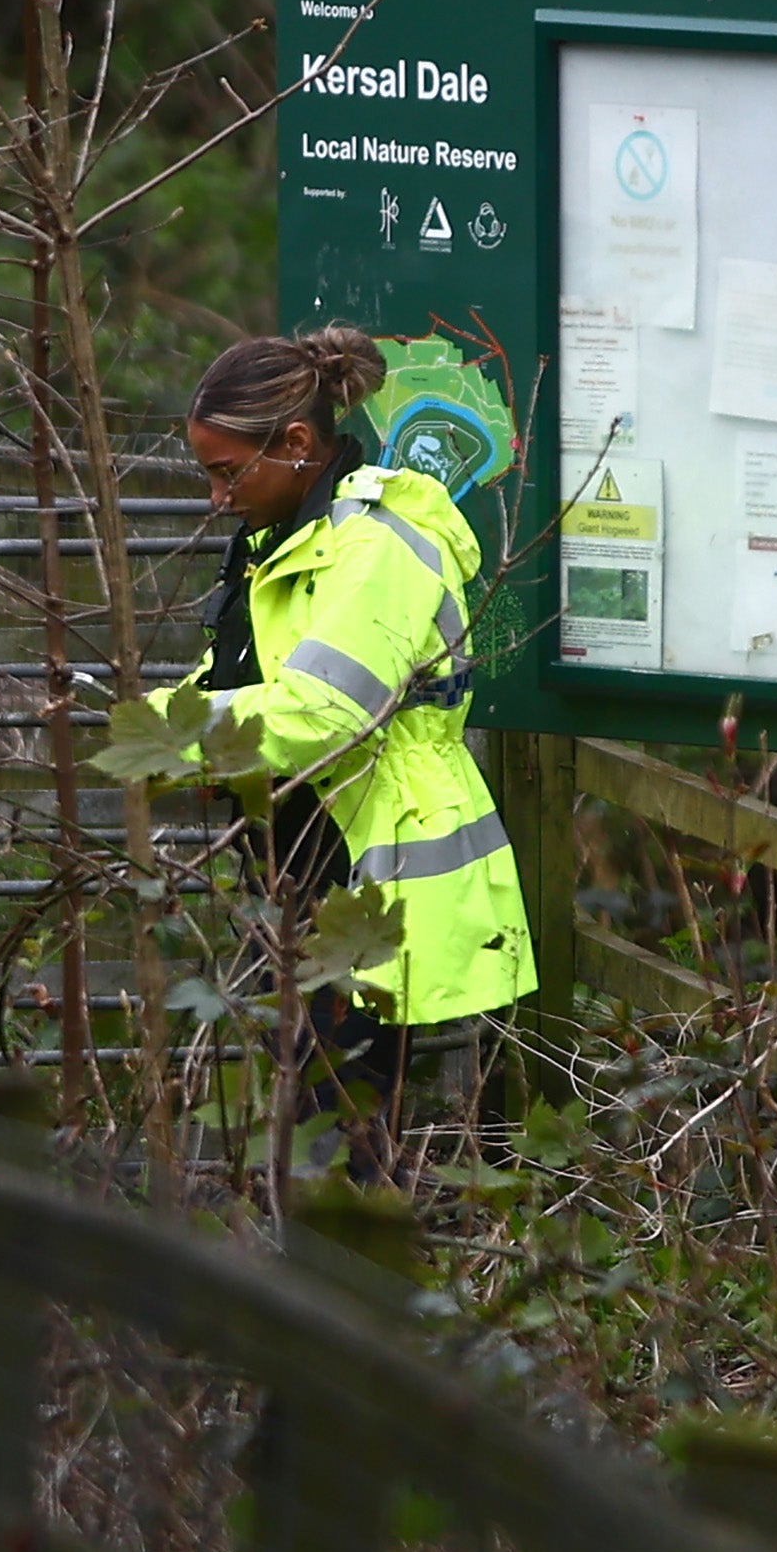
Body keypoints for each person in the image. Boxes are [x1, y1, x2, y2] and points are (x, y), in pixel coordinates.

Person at [169, 325, 531, 1168]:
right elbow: (238, 669)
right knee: (315, 1115)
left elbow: (325, 711)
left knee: (339, 1132)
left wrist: (165, 736)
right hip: (306, 856)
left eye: (229, 471)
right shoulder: (291, 536)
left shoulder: (373, 549)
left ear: (297, 444)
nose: (217, 497)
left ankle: (361, 1284)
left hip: (369, 862)